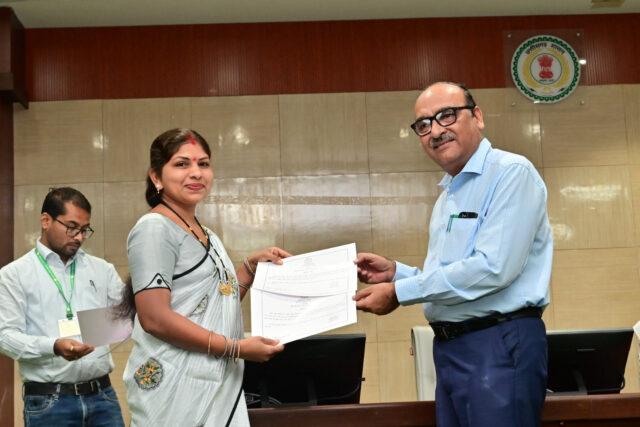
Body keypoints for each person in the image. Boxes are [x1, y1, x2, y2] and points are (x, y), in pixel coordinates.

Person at [353, 82, 552, 427]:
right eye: (423, 124)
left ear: (477, 116)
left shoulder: (510, 173)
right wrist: (398, 273)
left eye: (446, 115)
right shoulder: (449, 195)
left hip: (498, 343)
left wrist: (400, 292)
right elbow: (458, 274)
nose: (435, 131)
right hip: (451, 349)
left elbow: (492, 269)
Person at [119, 128, 290, 426]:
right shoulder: (154, 228)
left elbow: (214, 305)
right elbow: (154, 318)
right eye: (181, 164)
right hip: (175, 387)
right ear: (156, 177)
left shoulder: (206, 233)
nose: (196, 172)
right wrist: (236, 348)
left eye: (204, 164)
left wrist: (249, 268)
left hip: (213, 380)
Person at [0, 187, 126, 427]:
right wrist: (54, 346)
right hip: (49, 402)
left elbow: (127, 318)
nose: (78, 237)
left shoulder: (102, 270)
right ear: (46, 220)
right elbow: (5, 338)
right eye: (71, 227)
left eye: (84, 230)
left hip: (103, 397)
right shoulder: (14, 275)